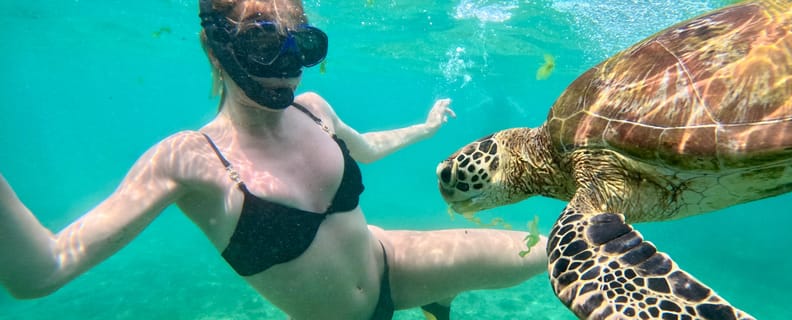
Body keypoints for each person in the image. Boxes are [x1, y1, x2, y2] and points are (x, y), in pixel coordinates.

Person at [0, 0, 548, 319]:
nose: (290, 67)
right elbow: (43, 271)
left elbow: (368, 150)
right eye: (266, 44)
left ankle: (439, 293)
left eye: (303, 46)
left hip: (393, 262)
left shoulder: (313, 109)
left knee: (554, 252)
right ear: (216, 49)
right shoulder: (186, 159)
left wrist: (426, 128)